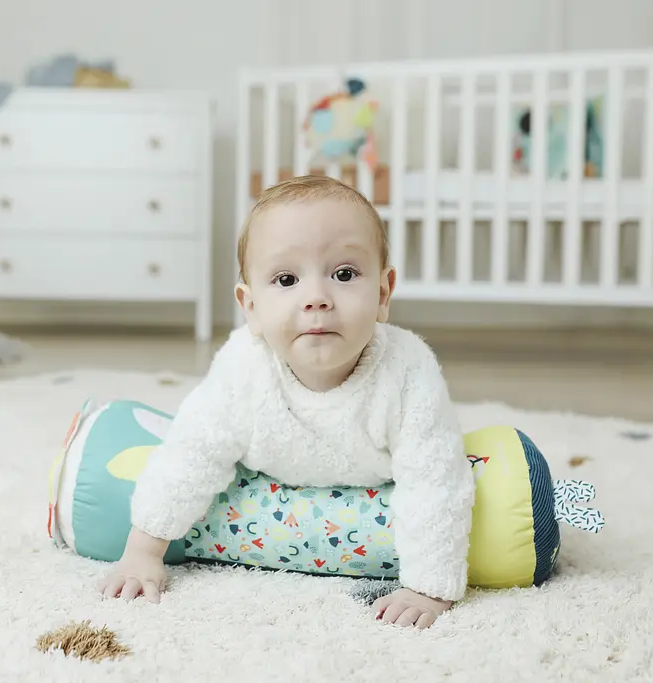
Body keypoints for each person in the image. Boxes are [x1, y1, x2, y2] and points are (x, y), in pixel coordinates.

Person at [97, 175, 474, 629]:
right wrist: (143, 551)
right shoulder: (243, 368)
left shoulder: (409, 369)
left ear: (382, 293)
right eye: (286, 279)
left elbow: (435, 478)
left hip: (375, 479)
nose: (316, 298)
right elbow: (191, 452)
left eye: (344, 274)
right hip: (267, 469)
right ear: (250, 306)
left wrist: (428, 586)